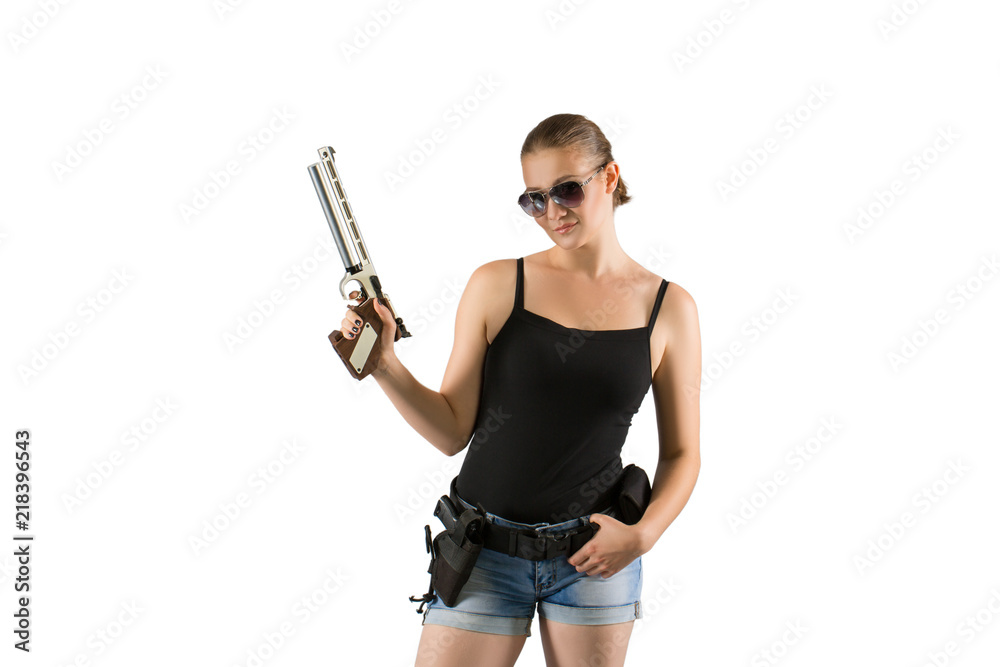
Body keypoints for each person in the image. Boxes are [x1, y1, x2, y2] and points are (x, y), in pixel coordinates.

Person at [338, 113, 701, 667]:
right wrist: (386, 364)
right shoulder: (497, 285)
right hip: (483, 551)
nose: (552, 212)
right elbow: (451, 430)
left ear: (610, 177)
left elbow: (682, 453)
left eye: (568, 190)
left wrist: (642, 536)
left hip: (594, 557)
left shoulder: (669, 309)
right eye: (534, 199)